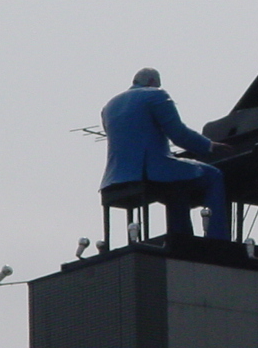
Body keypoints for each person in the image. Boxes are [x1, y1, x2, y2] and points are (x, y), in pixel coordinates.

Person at [99, 67, 231, 241]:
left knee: (177, 184)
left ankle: (181, 237)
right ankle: (217, 239)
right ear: (153, 82)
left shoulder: (109, 107)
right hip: (150, 169)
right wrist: (209, 146)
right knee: (213, 175)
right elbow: (178, 134)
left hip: (114, 177)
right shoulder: (155, 95)